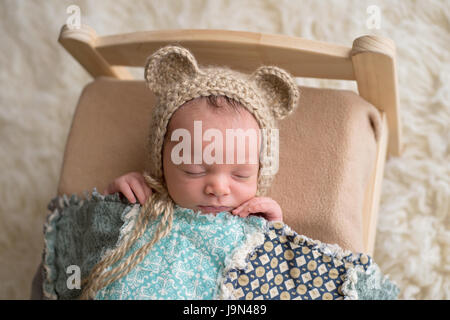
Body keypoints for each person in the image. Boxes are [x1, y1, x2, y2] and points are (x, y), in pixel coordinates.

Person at [80, 44, 300, 299]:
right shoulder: (143, 207)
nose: (218, 188)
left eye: (240, 174)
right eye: (194, 170)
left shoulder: (254, 228)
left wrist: (275, 234)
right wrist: (111, 204)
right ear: (161, 162)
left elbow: (280, 288)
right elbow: (87, 251)